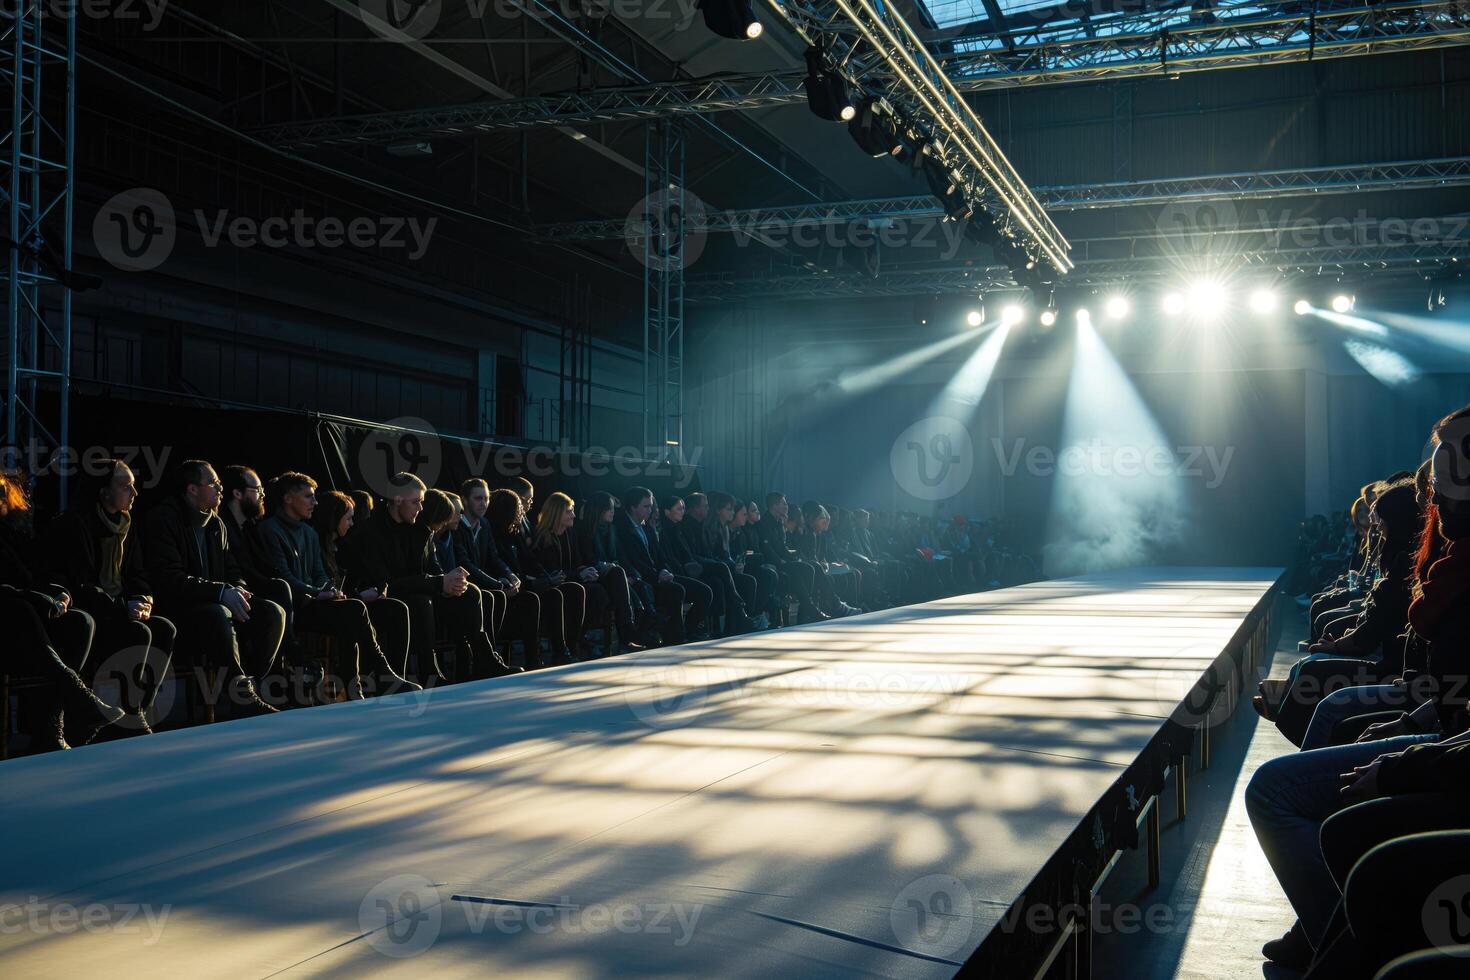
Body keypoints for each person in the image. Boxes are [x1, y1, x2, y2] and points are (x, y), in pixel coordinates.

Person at [1247, 404, 1470, 969]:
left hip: (1429, 719)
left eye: (1442, 495)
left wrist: (1404, 756)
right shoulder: (1443, 571)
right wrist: (1410, 725)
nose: (1436, 509)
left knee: (1324, 707)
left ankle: (1329, 940)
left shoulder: (1442, 574)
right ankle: (1328, 936)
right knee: (1323, 692)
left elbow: (1412, 661)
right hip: (1428, 715)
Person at [39, 458, 175, 733]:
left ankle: (136, 711)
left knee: (164, 629)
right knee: (138, 633)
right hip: (94, 609)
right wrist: (124, 607)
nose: (134, 493)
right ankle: (123, 718)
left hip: (119, 607)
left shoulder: (127, 526)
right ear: (103, 491)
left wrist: (143, 599)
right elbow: (81, 583)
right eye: (126, 486)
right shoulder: (74, 524)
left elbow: (138, 574)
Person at [345, 472, 519, 684]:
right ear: (397, 500)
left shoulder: (420, 528)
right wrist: (438, 582)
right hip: (387, 598)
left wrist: (451, 581)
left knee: (470, 592)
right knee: (420, 602)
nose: (420, 508)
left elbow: (434, 569)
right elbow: (386, 582)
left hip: (423, 593)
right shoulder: (370, 532)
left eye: (422, 502)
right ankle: (429, 671)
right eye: (416, 502)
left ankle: (484, 660)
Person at [143, 459, 286, 716]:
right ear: (192, 489)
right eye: (213, 483)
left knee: (273, 612)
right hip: (180, 608)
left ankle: (245, 688)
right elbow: (169, 578)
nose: (220, 488)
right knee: (217, 613)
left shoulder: (216, 524)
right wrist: (220, 592)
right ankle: (241, 695)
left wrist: (239, 590)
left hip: (215, 600)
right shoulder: (163, 519)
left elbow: (232, 570)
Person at [257, 472, 420, 697]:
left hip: (317, 601)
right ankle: (373, 679)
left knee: (391, 608)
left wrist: (331, 590)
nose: (314, 502)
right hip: (296, 607)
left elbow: (319, 573)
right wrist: (318, 593)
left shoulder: (308, 532)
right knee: (354, 609)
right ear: (287, 498)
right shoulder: (270, 530)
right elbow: (284, 577)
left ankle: (374, 681)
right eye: (308, 496)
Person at [1, 470, 125, 749]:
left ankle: (51, 726)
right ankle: (80, 697)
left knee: (80, 622)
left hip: (28, 620)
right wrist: (35, 598)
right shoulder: (74, 523)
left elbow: (41, 571)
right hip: (12, 619)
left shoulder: (13, 534)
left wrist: (59, 592)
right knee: (21, 608)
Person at [311, 489, 416, 693]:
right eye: (348, 518)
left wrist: (374, 589)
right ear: (334, 518)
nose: (352, 523)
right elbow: (324, 585)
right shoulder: (318, 544)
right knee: (354, 611)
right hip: (328, 605)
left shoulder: (342, 545)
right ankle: (362, 682)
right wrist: (359, 596)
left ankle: (394, 675)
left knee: (396, 608)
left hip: (348, 601)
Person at [488, 487, 579, 666]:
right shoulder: (493, 533)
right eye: (518, 509)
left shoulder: (516, 533)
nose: (522, 512)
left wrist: (543, 578)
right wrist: (533, 580)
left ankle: (564, 651)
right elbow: (496, 562)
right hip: (508, 588)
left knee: (563, 591)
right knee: (537, 597)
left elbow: (530, 562)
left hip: (526, 582)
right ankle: (533, 657)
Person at [455, 478, 539, 668]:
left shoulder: (484, 524)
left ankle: (531, 661)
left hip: (485, 584)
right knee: (495, 596)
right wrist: (499, 584)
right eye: (478, 498)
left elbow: (494, 557)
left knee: (528, 599)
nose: (483, 503)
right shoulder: (457, 526)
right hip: (464, 587)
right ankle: (486, 661)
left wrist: (510, 575)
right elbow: (465, 563)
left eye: (486, 499)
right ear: (465, 500)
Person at [614, 486, 701, 644]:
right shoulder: (623, 529)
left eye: (651, 506)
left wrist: (664, 570)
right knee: (677, 590)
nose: (650, 510)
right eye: (646, 506)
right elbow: (633, 560)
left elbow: (659, 555)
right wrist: (658, 575)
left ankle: (687, 632)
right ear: (633, 507)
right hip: (644, 579)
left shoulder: (646, 528)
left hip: (658, 575)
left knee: (703, 591)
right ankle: (675, 636)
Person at [576, 490, 653, 648]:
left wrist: (632, 574)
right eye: (609, 508)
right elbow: (588, 559)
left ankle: (644, 626)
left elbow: (622, 557)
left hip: (615, 574)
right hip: (596, 574)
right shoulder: (585, 531)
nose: (612, 512)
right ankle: (627, 630)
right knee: (618, 574)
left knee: (635, 581)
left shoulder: (612, 530)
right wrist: (609, 567)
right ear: (599, 510)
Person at [662, 494, 748, 636]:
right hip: (686, 568)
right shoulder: (681, 527)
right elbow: (684, 554)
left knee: (720, 581)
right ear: (695, 508)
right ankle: (733, 607)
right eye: (705, 506)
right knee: (721, 571)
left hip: (696, 564)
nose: (708, 509)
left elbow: (709, 551)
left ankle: (724, 626)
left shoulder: (697, 526)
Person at [757, 492, 824, 624]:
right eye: (783, 503)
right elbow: (766, 548)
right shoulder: (764, 523)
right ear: (774, 505)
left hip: (783, 561)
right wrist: (780, 561)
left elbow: (782, 547)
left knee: (810, 567)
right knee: (806, 569)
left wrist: (795, 557)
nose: (786, 506)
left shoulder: (779, 523)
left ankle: (806, 612)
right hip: (771, 563)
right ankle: (808, 609)